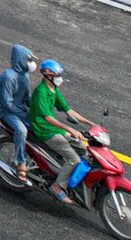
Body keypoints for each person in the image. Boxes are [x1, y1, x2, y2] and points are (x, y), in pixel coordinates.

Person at [28, 59, 91, 204]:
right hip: (44, 130)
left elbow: (68, 110)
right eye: (58, 75)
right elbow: (48, 118)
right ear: (48, 74)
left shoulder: (53, 90)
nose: (60, 77)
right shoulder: (41, 92)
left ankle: (72, 179)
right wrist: (69, 129)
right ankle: (57, 187)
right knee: (74, 159)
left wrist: (90, 123)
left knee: (83, 149)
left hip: (55, 129)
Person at [0, 45, 39, 178]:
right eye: (29, 60)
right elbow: (7, 103)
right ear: (21, 59)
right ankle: (20, 162)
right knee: (21, 130)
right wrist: (23, 113)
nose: (31, 63)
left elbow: (26, 97)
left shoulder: (24, 75)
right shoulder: (8, 77)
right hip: (7, 113)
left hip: (20, 110)